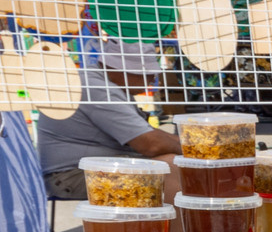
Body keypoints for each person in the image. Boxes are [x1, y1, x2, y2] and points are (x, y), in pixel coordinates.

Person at [36, 63, 181, 200]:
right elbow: (151, 144)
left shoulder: (105, 83)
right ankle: (178, 226)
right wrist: (192, 150)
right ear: (126, 69)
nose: (153, 79)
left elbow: (147, 131)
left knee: (172, 163)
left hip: (86, 168)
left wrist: (190, 145)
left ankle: (172, 224)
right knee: (169, 167)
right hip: (69, 175)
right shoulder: (94, 87)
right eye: (147, 74)